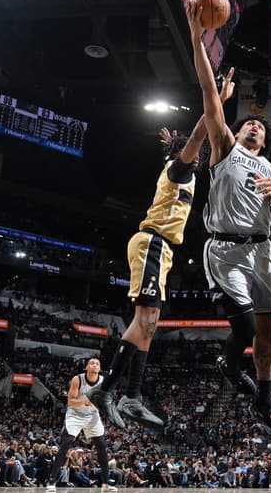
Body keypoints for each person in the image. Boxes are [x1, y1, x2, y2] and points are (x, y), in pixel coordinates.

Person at [88, 66, 235, 430]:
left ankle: (130, 395)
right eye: (192, 152)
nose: (197, 156)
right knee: (147, 321)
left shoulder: (187, 179)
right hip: (152, 243)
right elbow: (201, 134)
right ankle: (109, 389)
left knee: (149, 324)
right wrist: (217, 101)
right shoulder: (177, 170)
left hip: (163, 250)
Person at [187, 0, 271, 439]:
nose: (254, 128)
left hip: (262, 249)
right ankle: (229, 364)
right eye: (249, 124)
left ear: (265, 142)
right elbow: (210, 95)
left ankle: (264, 399)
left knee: (266, 331)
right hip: (226, 248)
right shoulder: (225, 148)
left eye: (260, 129)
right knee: (246, 326)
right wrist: (197, 38)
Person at [47, 357, 114, 492]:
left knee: (101, 445)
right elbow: (71, 402)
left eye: (97, 364)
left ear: (99, 369)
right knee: (66, 443)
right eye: (92, 363)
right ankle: (51, 482)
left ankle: (106, 484)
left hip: (92, 416)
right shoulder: (78, 379)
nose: (94, 365)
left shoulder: (103, 381)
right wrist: (87, 400)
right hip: (75, 414)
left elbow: (105, 401)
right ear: (86, 367)